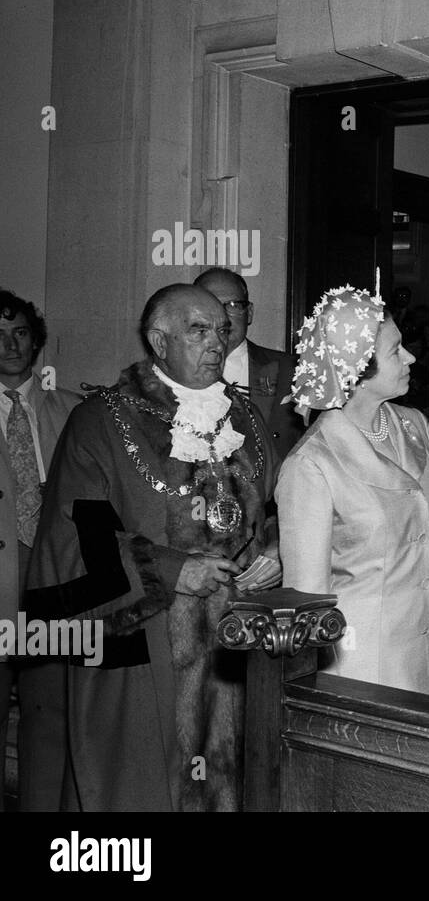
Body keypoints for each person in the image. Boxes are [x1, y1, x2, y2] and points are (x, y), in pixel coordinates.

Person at [23, 284, 281, 811]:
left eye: (223, 330)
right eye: (199, 330)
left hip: (234, 648)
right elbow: (74, 539)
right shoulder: (101, 421)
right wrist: (170, 568)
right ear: (158, 340)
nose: (218, 343)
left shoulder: (247, 422)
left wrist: (273, 552)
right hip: (145, 645)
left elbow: (269, 514)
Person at [277, 285, 429, 700]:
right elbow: (307, 597)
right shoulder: (311, 466)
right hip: (365, 656)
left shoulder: (413, 425)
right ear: (356, 372)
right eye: (396, 351)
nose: (410, 357)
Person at [0, 289, 80, 811]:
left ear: (37, 341)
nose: (10, 345)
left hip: (54, 586)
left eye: (20, 333)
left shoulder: (74, 410)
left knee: (49, 720)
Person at [195, 268, 303, 460]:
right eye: (210, 305)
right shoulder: (171, 375)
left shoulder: (293, 370)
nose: (223, 316)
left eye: (233, 305)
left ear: (249, 312)